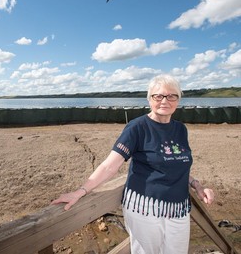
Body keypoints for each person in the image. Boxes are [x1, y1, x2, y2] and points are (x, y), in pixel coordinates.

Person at [51, 74, 214, 254]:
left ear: (178, 99)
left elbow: (177, 165)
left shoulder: (180, 129)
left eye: (171, 96)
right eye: (158, 96)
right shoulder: (137, 127)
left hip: (179, 210)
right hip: (145, 210)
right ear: (149, 98)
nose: (164, 101)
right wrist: (80, 191)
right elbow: (109, 166)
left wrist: (197, 186)